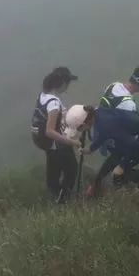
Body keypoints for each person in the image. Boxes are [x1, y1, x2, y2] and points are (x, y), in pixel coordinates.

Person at [30, 67, 83, 203]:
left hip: (47, 144)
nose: (68, 86)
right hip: (57, 144)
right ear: (62, 84)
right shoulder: (53, 102)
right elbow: (50, 131)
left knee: (53, 172)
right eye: (68, 83)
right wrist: (73, 142)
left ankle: (55, 197)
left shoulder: (43, 96)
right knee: (71, 170)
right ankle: (64, 200)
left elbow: (59, 115)